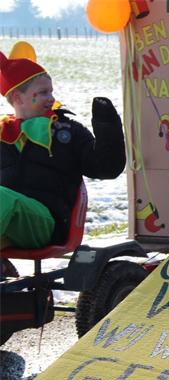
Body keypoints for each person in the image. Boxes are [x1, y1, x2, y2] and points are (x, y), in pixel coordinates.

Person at [0, 49, 126, 249]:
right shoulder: (3, 134)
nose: (51, 98)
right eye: (43, 92)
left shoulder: (66, 132)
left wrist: (107, 124)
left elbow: (106, 168)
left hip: (49, 223)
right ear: (18, 98)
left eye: (51, 91)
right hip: (8, 223)